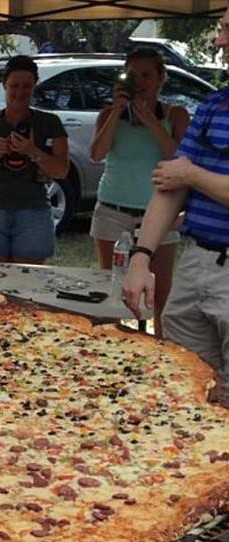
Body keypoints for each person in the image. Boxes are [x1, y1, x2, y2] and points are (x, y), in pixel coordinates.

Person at [123, 4, 229, 384]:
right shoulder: (214, 104)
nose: (219, 40)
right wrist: (140, 258)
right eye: (220, 28)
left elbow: (184, 175)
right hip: (194, 265)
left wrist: (192, 174)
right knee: (184, 389)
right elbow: (170, 186)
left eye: (228, 30)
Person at [89, 49, 189, 337]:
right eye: (133, 76)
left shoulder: (175, 115)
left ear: (160, 79)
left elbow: (178, 159)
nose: (140, 82)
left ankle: (160, 349)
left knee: (160, 292)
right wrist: (117, 112)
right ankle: (113, 346)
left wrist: (151, 121)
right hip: (113, 211)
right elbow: (96, 154)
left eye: (146, 75)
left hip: (159, 216)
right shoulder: (110, 114)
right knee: (112, 287)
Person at [0, 55, 69, 264]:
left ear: (35, 86)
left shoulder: (50, 122)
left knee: (28, 282)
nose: (20, 92)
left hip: (34, 210)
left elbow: (62, 170)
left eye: (27, 86)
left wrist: (32, 151)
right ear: (4, 84)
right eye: (14, 85)